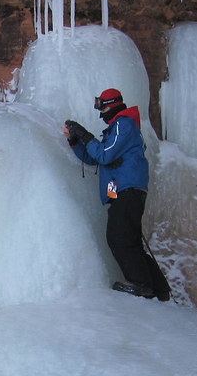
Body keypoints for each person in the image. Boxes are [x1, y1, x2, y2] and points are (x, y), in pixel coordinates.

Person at [64, 88, 157, 298]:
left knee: (118, 237)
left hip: (127, 189)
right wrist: (74, 141)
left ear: (113, 105)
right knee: (129, 239)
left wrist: (85, 135)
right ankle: (155, 287)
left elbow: (104, 155)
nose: (101, 113)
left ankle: (141, 284)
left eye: (103, 108)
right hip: (121, 191)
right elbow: (93, 158)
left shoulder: (124, 124)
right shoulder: (114, 130)